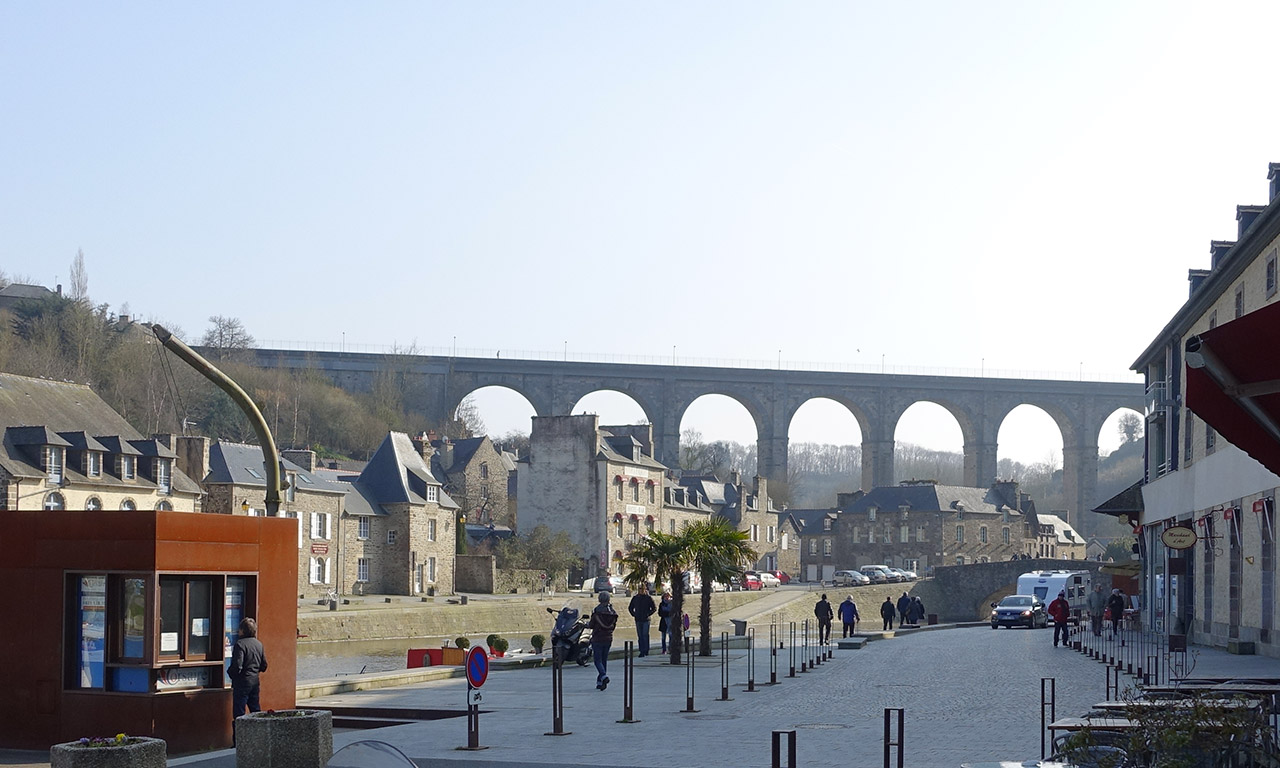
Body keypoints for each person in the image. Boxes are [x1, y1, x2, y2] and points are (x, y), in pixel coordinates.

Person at [229, 617, 268, 717]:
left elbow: (237, 666)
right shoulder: (259, 644)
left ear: (242, 630)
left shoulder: (240, 644)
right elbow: (264, 666)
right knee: (255, 710)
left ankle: (239, 732)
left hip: (241, 683)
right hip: (255, 682)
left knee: (239, 712)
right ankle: (257, 730)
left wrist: (231, 674)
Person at [589, 591, 618, 690]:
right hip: (608, 638)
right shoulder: (612, 612)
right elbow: (613, 626)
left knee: (597, 660)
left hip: (598, 638)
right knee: (604, 660)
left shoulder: (597, 611)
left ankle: (604, 676)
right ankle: (601, 682)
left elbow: (591, 625)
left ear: (599, 599)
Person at [628, 582, 656, 657]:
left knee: (645, 635)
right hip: (638, 619)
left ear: (645, 589)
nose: (640, 590)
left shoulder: (648, 598)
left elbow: (654, 608)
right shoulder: (635, 598)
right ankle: (641, 651)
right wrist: (634, 614)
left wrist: (648, 614)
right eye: (639, 589)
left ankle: (646, 650)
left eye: (642, 589)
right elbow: (630, 608)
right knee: (640, 636)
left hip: (646, 620)